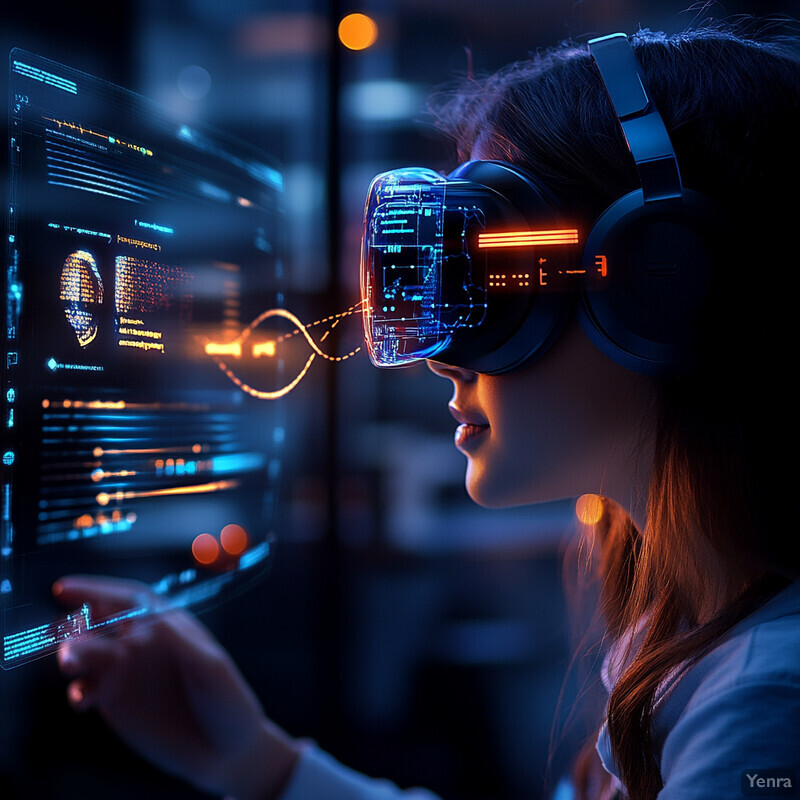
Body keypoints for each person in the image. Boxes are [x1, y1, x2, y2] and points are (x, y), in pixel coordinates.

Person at [53, 21, 800, 800]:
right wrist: (261, 765)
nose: (442, 358)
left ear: (664, 277)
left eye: (485, 283)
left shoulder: (764, 708)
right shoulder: (687, 637)